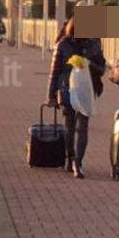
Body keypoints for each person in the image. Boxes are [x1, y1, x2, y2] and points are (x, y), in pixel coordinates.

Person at [47, 18, 106, 179]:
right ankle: (70, 156)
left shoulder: (94, 44)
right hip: (67, 89)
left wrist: (89, 64)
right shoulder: (63, 44)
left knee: (83, 127)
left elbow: (102, 68)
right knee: (70, 126)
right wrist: (51, 95)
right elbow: (55, 71)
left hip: (86, 90)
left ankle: (78, 162)